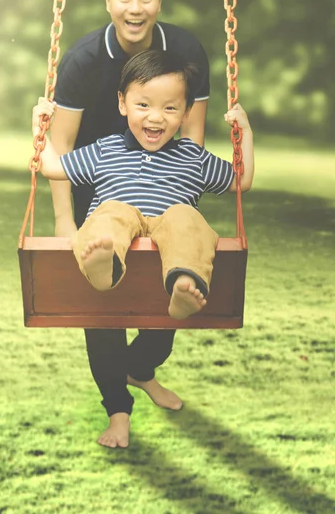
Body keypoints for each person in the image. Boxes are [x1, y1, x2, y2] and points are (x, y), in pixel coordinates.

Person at [33, 50, 254, 448]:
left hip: (166, 261)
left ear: (186, 112)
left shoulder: (193, 156)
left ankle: (182, 287)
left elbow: (242, 180)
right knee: (110, 214)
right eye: (143, 105)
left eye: (170, 108)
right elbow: (52, 167)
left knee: (187, 219)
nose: (156, 117)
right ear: (122, 104)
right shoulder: (105, 150)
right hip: (118, 240)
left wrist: (245, 134)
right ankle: (118, 412)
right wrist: (40, 128)